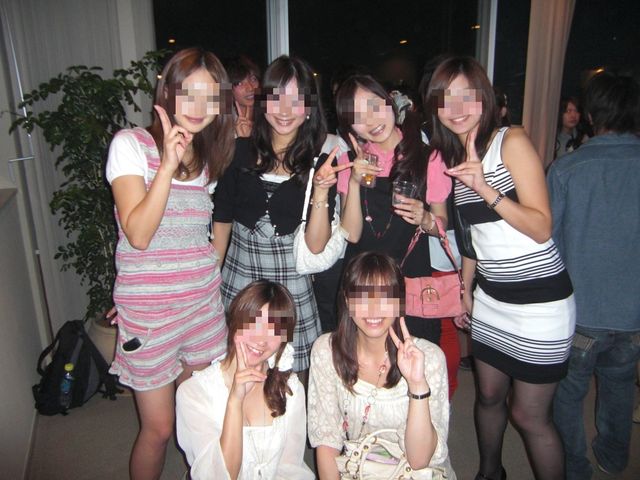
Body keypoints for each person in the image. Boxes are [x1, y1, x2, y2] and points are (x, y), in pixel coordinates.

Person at [426, 56, 575, 480]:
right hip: (492, 299)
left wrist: (485, 188)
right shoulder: (456, 156)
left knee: (529, 415)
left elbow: (541, 227)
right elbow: (475, 239)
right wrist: (466, 289)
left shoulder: (511, 141)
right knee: (488, 396)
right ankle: (489, 473)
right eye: (445, 98)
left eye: (466, 96)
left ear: (485, 98)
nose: (455, 108)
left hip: (540, 303)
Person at [105, 47, 235, 480]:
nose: (198, 107)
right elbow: (139, 235)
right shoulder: (130, 145)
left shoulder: (207, 158)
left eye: (210, 97)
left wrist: (205, 273)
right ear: (168, 92)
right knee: (159, 429)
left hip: (201, 308)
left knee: (203, 418)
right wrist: (166, 167)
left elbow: (198, 233)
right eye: (188, 93)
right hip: (151, 316)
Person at [213, 55, 347, 376]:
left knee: (288, 384)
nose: (285, 110)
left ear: (309, 107)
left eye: (296, 100)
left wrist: (321, 190)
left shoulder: (320, 163)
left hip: (291, 291)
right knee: (237, 375)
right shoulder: (238, 152)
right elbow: (221, 225)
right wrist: (207, 286)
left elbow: (315, 247)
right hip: (240, 283)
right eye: (276, 98)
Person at [334, 74, 459, 397]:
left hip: (410, 285)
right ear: (349, 127)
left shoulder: (428, 157)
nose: (371, 121)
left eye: (374, 106)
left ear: (390, 102)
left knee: (412, 378)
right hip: (362, 283)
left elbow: (442, 223)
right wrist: (355, 181)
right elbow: (351, 235)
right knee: (361, 378)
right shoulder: (349, 162)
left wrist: (426, 218)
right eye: (357, 116)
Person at [548, 71, 640, 480]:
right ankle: (614, 456)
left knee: (568, 393)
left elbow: (547, 240)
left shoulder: (568, 168)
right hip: (633, 312)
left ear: (589, 114)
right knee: (620, 386)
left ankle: (575, 467)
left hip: (581, 309)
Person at [308, 251, 455, 479]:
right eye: (363, 297)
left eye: (385, 296)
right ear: (347, 300)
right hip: (358, 468)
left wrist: (417, 385)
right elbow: (327, 442)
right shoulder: (326, 352)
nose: (374, 308)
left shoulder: (428, 358)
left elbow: (419, 460)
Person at [176, 280, 315, 480]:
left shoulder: (289, 388)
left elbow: (290, 468)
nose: (261, 340)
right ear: (236, 321)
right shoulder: (194, 393)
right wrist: (235, 401)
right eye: (255, 324)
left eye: (275, 330)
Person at [226, 55, 261, 138]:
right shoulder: (224, 124)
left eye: (253, 79)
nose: (250, 88)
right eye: (239, 83)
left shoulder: (270, 116)